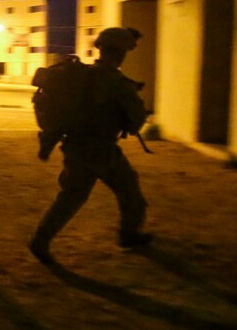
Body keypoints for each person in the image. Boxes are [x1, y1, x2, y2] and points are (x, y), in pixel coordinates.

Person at [28, 26, 153, 264]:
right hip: (102, 151)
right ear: (121, 54)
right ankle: (128, 235)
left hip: (75, 147)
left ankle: (40, 240)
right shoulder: (118, 83)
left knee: (71, 197)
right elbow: (136, 123)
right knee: (130, 194)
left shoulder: (81, 75)